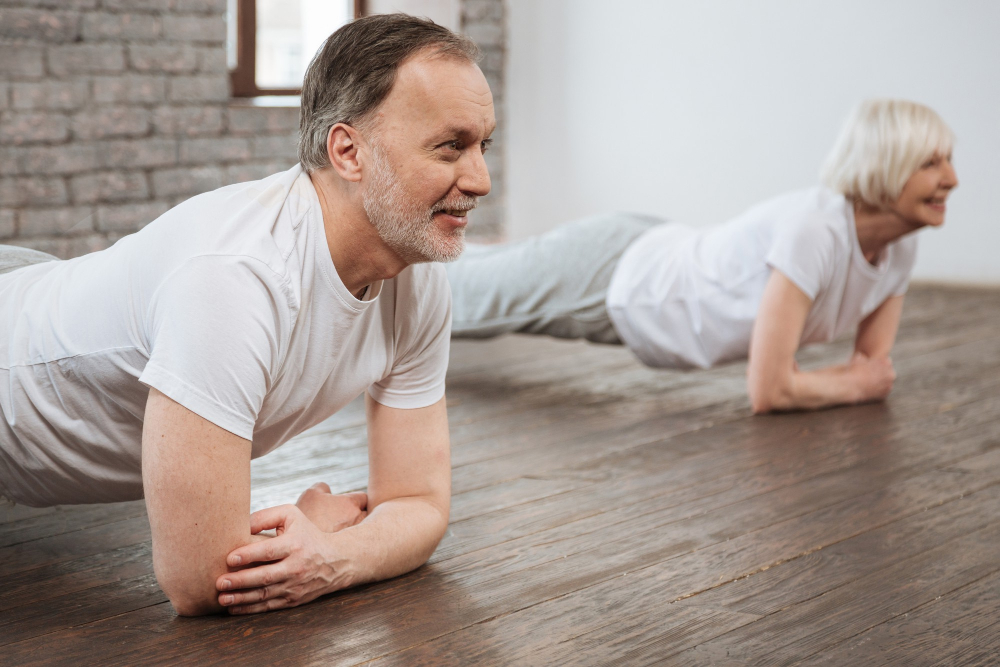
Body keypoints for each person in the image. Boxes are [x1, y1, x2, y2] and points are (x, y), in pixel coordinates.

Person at [0, 14, 495, 616]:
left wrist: (333, 555)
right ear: (348, 151)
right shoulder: (235, 278)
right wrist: (312, 527)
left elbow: (421, 504)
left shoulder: (414, 280)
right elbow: (200, 579)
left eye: (483, 145)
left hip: (34, 285)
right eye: (451, 146)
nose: (481, 179)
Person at [447, 99, 958, 413]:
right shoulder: (816, 231)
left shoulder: (899, 246)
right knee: (457, 301)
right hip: (618, 280)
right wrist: (848, 387)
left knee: (481, 274)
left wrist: (846, 382)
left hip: (657, 253)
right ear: (886, 165)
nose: (951, 179)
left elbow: (871, 368)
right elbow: (772, 391)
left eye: (948, 160)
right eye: (932, 163)